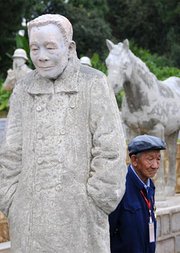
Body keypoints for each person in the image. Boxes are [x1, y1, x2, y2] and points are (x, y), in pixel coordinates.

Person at [0, 14, 127, 253]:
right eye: (34, 48)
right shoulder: (23, 88)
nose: (41, 56)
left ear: (69, 48)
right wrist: (10, 199)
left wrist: (97, 201)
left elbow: (110, 149)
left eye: (49, 47)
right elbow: (10, 152)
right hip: (28, 220)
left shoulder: (93, 83)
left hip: (81, 219)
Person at [109, 134, 166, 253]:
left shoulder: (150, 185)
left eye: (158, 159)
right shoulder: (120, 186)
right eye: (150, 159)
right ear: (134, 160)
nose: (155, 165)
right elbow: (108, 230)